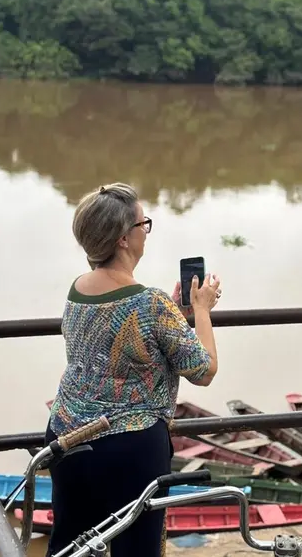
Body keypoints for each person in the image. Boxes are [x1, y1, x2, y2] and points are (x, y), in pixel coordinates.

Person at [44, 183, 222, 557]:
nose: (146, 232)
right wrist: (201, 310)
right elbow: (203, 370)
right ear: (124, 238)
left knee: (69, 546)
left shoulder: (77, 289)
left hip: (66, 438)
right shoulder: (150, 303)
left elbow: (117, 339)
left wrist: (173, 313)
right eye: (144, 224)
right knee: (136, 550)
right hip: (128, 448)